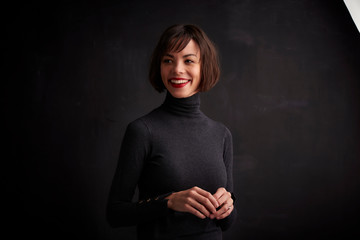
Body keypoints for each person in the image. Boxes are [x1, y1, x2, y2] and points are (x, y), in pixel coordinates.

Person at [106, 24, 236, 240]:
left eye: (188, 60)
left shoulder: (221, 134)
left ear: (204, 67)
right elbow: (115, 214)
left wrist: (229, 205)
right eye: (168, 60)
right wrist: (169, 202)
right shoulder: (142, 131)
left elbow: (227, 224)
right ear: (160, 66)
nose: (177, 69)